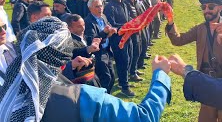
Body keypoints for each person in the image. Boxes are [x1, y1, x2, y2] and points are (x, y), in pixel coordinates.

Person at [0, 17, 172, 122]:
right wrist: (160, 75)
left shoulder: (8, 98)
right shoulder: (83, 98)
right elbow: (143, 117)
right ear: (63, 57)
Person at [165, 0, 222, 122]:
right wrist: (170, 22)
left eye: (211, 6)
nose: (206, 10)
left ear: (220, 7)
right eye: (203, 7)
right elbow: (178, 40)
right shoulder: (200, 29)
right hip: (207, 84)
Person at [104, 0, 135, 97]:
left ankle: (124, 81)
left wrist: (135, 23)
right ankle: (124, 87)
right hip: (118, 39)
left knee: (129, 59)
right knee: (122, 61)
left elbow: (128, 19)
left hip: (128, 36)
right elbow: (112, 24)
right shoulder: (109, 6)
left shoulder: (124, 5)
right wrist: (128, 25)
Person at [84, 0, 117, 93]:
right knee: (106, 78)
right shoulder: (88, 21)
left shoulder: (103, 17)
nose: (100, 9)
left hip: (107, 51)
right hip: (99, 54)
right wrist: (104, 33)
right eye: (97, 7)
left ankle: (107, 96)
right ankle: (103, 100)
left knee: (112, 77)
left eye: (101, 6)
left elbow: (108, 26)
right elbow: (91, 39)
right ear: (90, 9)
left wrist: (112, 30)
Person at [64, 14, 102, 87]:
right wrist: (88, 49)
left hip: (92, 75)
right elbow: (74, 52)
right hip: (81, 80)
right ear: (70, 28)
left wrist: (103, 35)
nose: (83, 28)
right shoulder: (68, 40)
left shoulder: (82, 36)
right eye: (79, 26)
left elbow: (92, 40)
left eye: (83, 25)